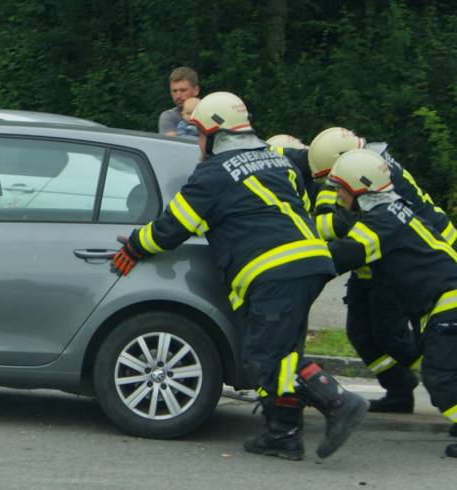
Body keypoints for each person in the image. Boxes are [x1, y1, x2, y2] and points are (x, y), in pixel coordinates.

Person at [112, 91, 368, 461]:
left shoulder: (213, 175)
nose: (198, 142)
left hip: (275, 271)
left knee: (265, 357)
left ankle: (339, 401)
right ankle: (283, 434)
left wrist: (134, 246)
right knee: (282, 352)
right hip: (308, 264)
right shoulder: (277, 161)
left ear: (217, 133)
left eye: (199, 133)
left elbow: (172, 227)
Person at [305, 127, 457, 413]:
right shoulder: (376, 188)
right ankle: (402, 388)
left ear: (356, 183)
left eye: (338, 187)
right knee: (366, 333)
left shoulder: (379, 219)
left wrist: (295, 250)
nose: (335, 194)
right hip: (430, 285)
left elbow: (343, 249)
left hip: (437, 291)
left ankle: (439, 381)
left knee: (437, 370)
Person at [158, 67, 200, 137]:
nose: (178, 96)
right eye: (174, 91)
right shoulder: (169, 117)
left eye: (183, 90)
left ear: (196, 90)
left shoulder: (211, 112)